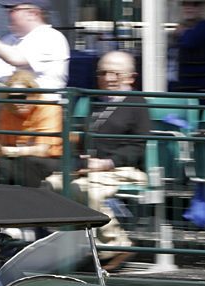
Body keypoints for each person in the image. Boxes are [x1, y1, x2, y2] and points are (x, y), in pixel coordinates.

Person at [44, 51, 150, 268]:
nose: (108, 78)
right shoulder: (97, 103)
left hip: (124, 169)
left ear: (131, 77)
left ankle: (117, 244)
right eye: (102, 73)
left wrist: (105, 163)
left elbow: (138, 147)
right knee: (50, 185)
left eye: (116, 74)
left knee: (86, 190)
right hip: (91, 168)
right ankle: (69, 244)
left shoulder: (138, 104)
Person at [0, 69, 62, 187]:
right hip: (17, 159)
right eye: (12, 98)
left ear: (33, 94)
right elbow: (2, 143)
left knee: (26, 163)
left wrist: (7, 151)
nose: (17, 102)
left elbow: (42, 150)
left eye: (22, 96)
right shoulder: (6, 110)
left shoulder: (49, 108)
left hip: (50, 160)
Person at [0, 0, 69, 90]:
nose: (8, 14)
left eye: (13, 10)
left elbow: (17, 59)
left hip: (41, 103)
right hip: (5, 102)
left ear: (33, 13)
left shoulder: (50, 36)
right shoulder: (8, 39)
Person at [169, 0, 205, 92]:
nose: (189, 7)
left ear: (204, 8)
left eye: (196, 4)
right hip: (181, 82)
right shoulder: (185, 27)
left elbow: (190, 42)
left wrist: (182, 32)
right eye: (185, 4)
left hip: (196, 86)